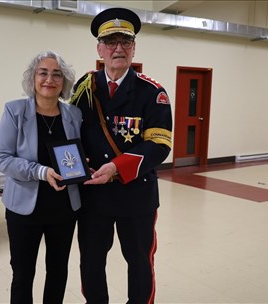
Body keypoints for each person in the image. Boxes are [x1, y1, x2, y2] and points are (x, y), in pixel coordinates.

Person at [70, 7, 173, 304]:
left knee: (140, 264)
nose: (118, 48)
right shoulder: (83, 88)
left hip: (136, 195)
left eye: (125, 41)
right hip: (94, 197)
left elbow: (159, 144)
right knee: (91, 263)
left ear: (134, 47)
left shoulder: (152, 92)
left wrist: (116, 166)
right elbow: (71, 132)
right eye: (111, 41)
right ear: (99, 48)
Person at [0, 50, 81, 304]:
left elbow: (73, 155)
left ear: (64, 82)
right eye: (43, 73)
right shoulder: (14, 111)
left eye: (57, 74)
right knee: (22, 274)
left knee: (58, 272)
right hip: (24, 209)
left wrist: (80, 162)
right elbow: (2, 158)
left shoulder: (73, 115)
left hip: (64, 208)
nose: (49, 79)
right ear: (33, 78)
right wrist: (41, 172)